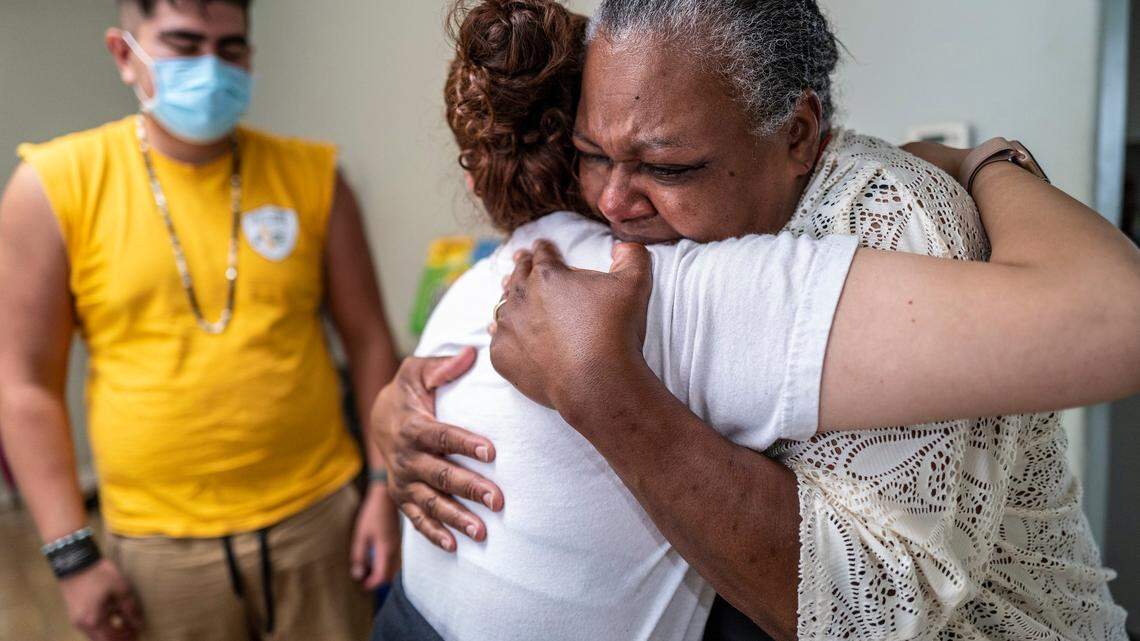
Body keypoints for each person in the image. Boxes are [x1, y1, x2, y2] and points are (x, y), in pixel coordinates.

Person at [372, 1, 1139, 640]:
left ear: (798, 136)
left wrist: (603, 391)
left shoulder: (885, 216)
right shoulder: (670, 225)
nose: (610, 203)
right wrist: (411, 399)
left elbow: (868, 611)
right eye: (592, 154)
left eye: (668, 168)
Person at [0, 1, 401, 640]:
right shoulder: (51, 187)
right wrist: (70, 556)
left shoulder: (315, 176)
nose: (212, 69)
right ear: (123, 54)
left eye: (231, 49)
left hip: (320, 524)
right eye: (184, 45)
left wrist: (384, 486)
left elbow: (371, 338)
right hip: (161, 550)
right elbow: (22, 384)